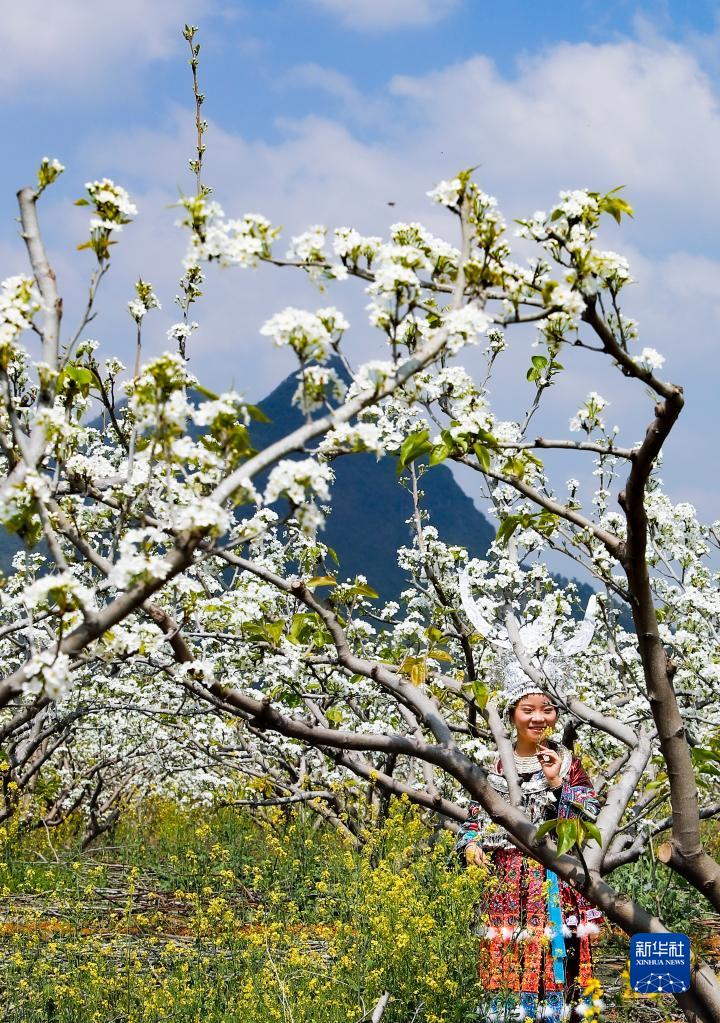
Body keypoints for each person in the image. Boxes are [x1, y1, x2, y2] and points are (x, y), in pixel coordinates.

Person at [455, 680, 604, 1022]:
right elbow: (476, 817)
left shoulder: (568, 764)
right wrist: (472, 844)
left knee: (558, 956)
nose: (539, 718)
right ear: (511, 717)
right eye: (528, 710)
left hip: (554, 878)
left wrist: (556, 784)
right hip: (505, 881)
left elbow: (589, 816)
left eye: (547, 709)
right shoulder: (496, 767)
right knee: (509, 954)